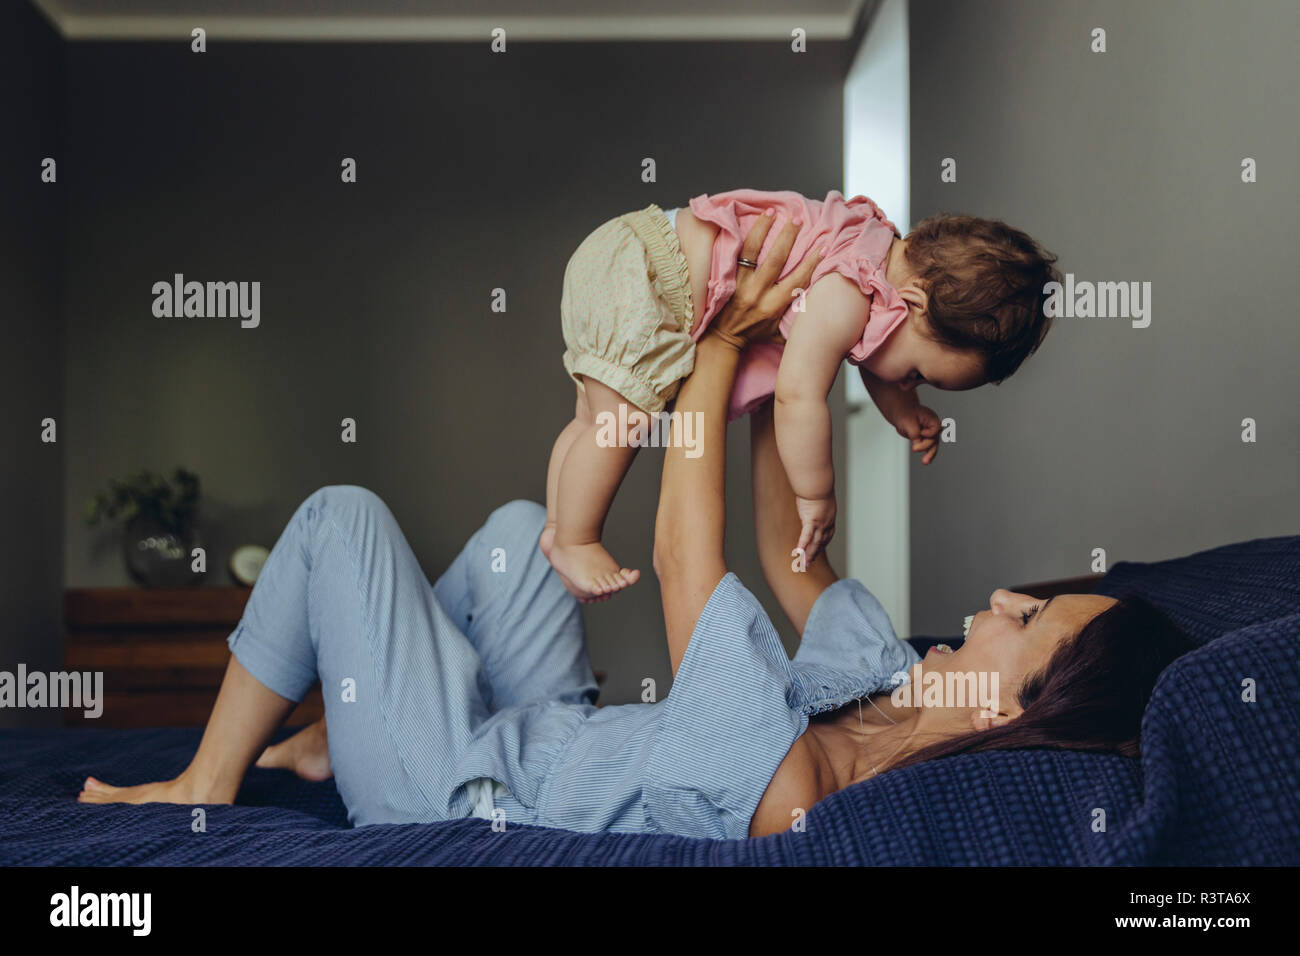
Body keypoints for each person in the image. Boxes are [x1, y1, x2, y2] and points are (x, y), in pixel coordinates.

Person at [79, 215, 1189, 840]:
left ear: (1010, 705)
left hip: (457, 786)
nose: (1003, 596)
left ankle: (207, 782)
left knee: (339, 519)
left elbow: (682, 558)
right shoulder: (887, 671)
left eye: (1028, 617)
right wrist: (791, 370)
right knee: (524, 528)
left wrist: (713, 345)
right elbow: (778, 551)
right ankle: (339, 723)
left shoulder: (797, 791)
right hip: (542, 721)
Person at [542, 189, 1062, 599]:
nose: (908, 383)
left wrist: (903, 409)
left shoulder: (876, 258)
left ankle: (556, 526)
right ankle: (577, 540)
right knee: (621, 424)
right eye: (919, 375)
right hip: (649, 276)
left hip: (625, 251)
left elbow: (878, 354)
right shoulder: (849, 289)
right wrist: (816, 494)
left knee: (593, 421)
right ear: (912, 302)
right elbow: (798, 395)